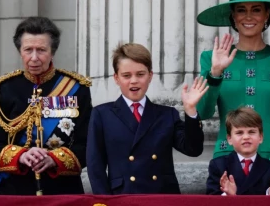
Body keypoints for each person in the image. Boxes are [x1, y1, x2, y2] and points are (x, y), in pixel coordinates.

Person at [196, 0, 270, 172]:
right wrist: (215, 73)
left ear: (266, 14)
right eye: (241, 10)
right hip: (226, 161)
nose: (248, 16)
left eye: (256, 10)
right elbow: (202, 112)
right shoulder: (210, 58)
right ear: (233, 16)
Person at [87, 43, 206, 194]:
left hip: (161, 198)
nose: (134, 80)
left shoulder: (167, 114)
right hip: (122, 197)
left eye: (140, 74)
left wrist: (190, 111)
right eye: (126, 75)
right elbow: (95, 166)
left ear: (150, 76)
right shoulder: (102, 114)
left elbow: (193, 149)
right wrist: (104, 204)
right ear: (116, 78)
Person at [0, 17, 92, 195]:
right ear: (20, 52)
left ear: (52, 52)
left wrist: (55, 159)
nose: (34, 58)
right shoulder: (4, 89)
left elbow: (88, 143)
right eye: (28, 50)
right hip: (14, 190)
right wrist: (21, 156)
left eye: (41, 50)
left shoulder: (77, 88)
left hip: (63, 189)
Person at [206, 107, 270, 195]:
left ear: (260, 137)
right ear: (229, 139)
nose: (246, 137)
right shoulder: (218, 166)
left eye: (251, 132)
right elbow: (210, 202)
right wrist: (228, 195)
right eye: (239, 133)